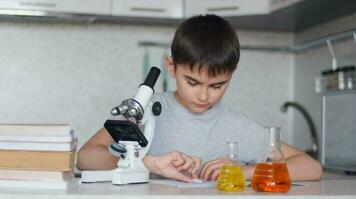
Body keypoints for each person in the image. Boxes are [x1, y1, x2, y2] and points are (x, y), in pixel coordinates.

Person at [77, 14, 322, 183]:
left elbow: (311, 167)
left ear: (231, 74)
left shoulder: (237, 125)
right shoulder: (146, 110)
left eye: (217, 85)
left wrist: (244, 171)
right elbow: (85, 157)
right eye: (192, 82)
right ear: (171, 68)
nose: (204, 96)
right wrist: (147, 163)